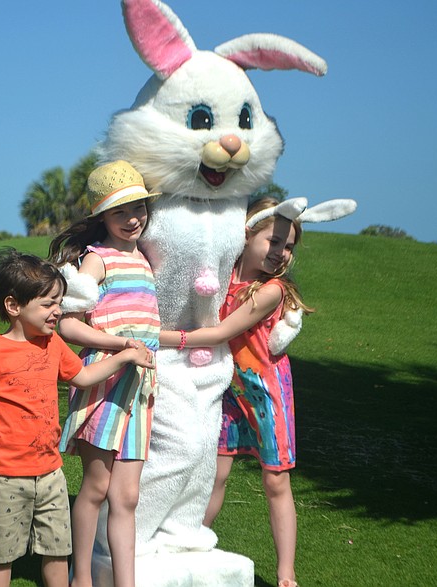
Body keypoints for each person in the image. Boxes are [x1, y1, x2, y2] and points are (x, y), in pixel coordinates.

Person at [0, 247, 154, 587]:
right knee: (0, 557)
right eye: (48, 304)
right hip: (4, 478)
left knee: (57, 551)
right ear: (13, 306)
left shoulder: (52, 345)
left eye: (59, 302)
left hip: (50, 474)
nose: (57, 312)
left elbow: (82, 376)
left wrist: (124, 356)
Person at [158, 197, 313, 587]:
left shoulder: (271, 291)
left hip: (266, 394)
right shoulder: (224, 276)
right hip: (227, 388)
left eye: (289, 246)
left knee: (276, 480)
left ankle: (286, 575)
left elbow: (223, 332)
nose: (281, 253)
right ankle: (192, 543)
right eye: (273, 241)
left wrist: (160, 337)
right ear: (246, 234)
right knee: (214, 474)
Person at [48, 160, 161, 587]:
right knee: (95, 488)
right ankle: (81, 579)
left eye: (139, 209)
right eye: (120, 212)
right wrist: (121, 346)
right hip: (107, 382)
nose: (133, 219)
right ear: (102, 218)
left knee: (127, 497)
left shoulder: (146, 259)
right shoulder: (98, 260)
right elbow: (68, 323)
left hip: (141, 388)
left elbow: (147, 327)